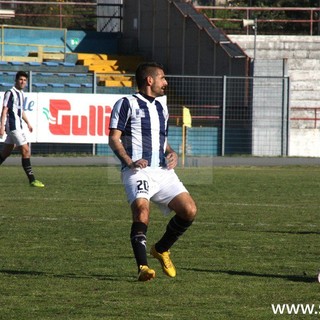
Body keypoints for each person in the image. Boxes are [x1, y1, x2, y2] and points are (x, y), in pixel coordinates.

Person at [109, 62, 197, 281]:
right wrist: (129, 161)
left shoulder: (161, 106)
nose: (165, 82)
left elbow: (162, 139)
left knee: (189, 210)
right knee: (141, 212)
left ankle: (161, 249)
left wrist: (171, 152)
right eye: (162, 78)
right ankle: (143, 268)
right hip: (137, 171)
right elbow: (114, 138)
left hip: (163, 171)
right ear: (150, 80)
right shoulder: (126, 103)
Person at [0, 71, 44, 187]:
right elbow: (4, 110)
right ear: (16, 80)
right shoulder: (10, 93)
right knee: (25, 150)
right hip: (13, 127)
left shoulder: (21, 94)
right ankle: (32, 180)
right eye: (21, 79)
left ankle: (32, 180)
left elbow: (20, 111)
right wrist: (1, 126)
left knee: (5, 153)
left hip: (18, 126)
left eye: (25, 80)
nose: (23, 82)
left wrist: (28, 122)